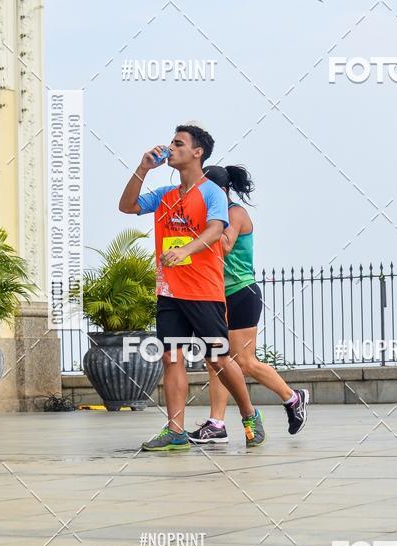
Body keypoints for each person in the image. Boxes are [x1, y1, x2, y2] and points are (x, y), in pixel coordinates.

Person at [118, 124, 265, 449]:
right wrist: (143, 168)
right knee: (171, 358)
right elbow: (127, 206)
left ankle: (249, 414)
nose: (171, 147)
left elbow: (215, 229)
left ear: (197, 152)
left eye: (178, 143)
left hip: (204, 290)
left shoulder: (211, 192)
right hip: (169, 291)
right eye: (171, 141)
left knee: (218, 359)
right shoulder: (165, 196)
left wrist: (184, 250)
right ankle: (175, 430)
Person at [186, 164, 309, 444]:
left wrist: (200, 234)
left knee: (244, 361)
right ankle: (216, 424)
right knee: (215, 360)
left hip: (241, 292)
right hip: (216, 295)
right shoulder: (210, 216)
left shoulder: (235, 213)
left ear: (222, 191)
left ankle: (293, 398)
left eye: (206, 190)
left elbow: (226, 245)